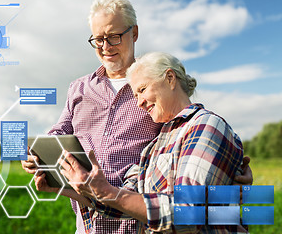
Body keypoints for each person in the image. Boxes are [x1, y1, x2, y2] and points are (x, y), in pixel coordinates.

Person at [22, 0, 252, 233]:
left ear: (134, 33)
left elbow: (195, 140)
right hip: (92, 221)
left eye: (113, 37)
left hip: (139, 223)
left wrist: (228, 175)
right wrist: (40, 158)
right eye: (98, 39)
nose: (105, 47)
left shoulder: (184, 115)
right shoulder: (80, 90)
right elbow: (59, 135)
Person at [56, 52, 249, 233]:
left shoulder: (206, 126)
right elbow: (124, 203)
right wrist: (67, 187)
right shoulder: (153, 146)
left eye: (142, 89)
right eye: (135, 95)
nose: (139, 102)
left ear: (170, 79)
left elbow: (188, 215)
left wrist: (106, 192)